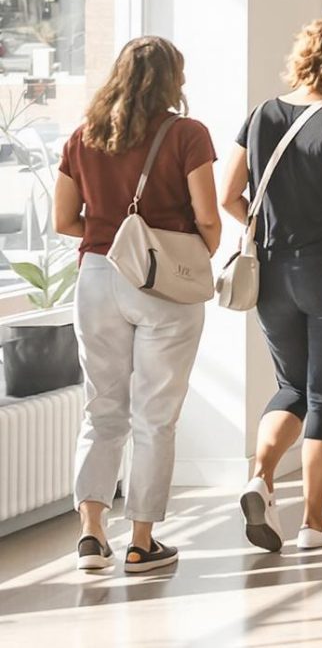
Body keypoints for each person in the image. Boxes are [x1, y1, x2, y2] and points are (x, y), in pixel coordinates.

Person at [52, 36, 221, 575]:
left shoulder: (83, 136)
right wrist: (196, 251)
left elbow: (64, 221)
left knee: (102, 410)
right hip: (163, 282)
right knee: (155, 416)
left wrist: (112, 240)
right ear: (172, 79)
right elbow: (208, 216)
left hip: (97, 277)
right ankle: (140, 542)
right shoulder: (187, 134)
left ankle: (91, 534)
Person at [223, 18, 322, 552]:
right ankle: (314, 522)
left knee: (291, 385)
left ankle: (260, 478)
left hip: (272, 272)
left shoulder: (261, 116)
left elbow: (228, 196)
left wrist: (270, 223)